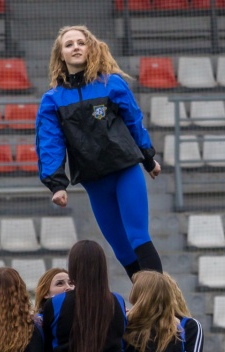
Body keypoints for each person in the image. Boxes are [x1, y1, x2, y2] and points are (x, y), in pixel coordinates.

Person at [36, 25, 163, 279]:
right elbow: (49, 142)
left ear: (90, 48)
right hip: (94, 181)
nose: (75, 47)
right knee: (122, 249)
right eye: (69, 44)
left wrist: (148, 159)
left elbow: (133, 120)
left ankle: (162, 299)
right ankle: (143, 298)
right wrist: (57, 184)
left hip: (125, 170)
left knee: (138, 236)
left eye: (81, 43)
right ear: (61, 54)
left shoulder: (111, 83)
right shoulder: (52, 100)